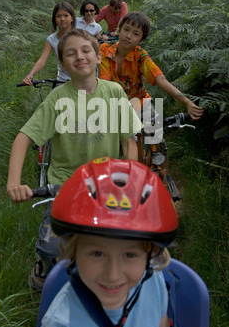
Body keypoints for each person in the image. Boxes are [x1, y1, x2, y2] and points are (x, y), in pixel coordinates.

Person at [7, 29, 142, 290]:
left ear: (98, 57)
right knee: (55, 252)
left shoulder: (114, 93)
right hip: (64, 188)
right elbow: (23, 138)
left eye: (85, 50)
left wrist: (130, 176)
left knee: (120, 248)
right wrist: (14, 182)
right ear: (63, 64)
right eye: (70, 53)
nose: (79, 56)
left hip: (107, 187)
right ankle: (45, 268)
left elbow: (128, 141)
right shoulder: (58, 99)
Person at [35, 157, 178, 327]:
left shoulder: (154, 281)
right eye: (97, 253)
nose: (113, 275)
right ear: (73, 250)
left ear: (150, 254)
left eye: (130, 255)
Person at [99, 11, 204, 201]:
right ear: (119, 30)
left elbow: (160, 79)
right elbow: (104, 85)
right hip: (114, 104)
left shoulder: (140, 56)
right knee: (114, 146)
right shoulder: (105, 51)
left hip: (140, 102)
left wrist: (187, 102)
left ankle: (166, 177)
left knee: (157, 137)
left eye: (135, 33)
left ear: (141, 39)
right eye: (126, 30)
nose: (129, 36)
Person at [22, 1, 76, 86]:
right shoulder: (52, 39)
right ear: (54, 19)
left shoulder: (80, 36)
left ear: (72, 18)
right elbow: (42, 60)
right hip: (61, 82)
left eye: (66, 15)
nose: (62, 19)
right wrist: (30, 75)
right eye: (58, 16)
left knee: (82, 99)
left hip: (80, 80)